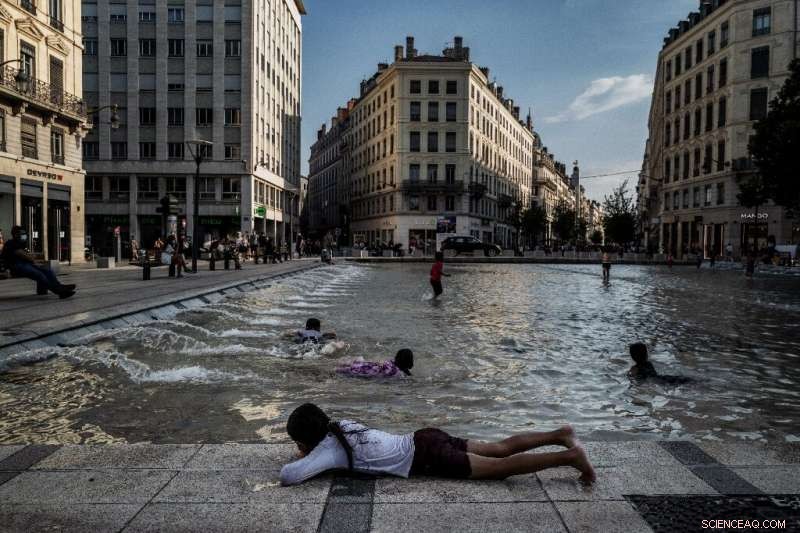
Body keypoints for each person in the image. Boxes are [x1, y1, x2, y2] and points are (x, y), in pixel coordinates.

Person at [279, 403, 595, 486]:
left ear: (307, 439)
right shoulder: (341, 427)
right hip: (425, 437)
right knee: (499, 448)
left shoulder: (329, 450)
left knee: (499, 469)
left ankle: (569, 456)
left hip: (428, 456)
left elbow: (289, 475)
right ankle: (560, 433)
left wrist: (305, 453)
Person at [0, 226, 76, 298]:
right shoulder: (11, 243)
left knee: (48, 271)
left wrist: (31, 258)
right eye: (22, 234)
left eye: (24, 234)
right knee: (40, 275)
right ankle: (59, 291)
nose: (24, 235)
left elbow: (28, 256)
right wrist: (31, 258)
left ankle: (60, 287)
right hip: (16, 267)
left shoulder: (19, 244)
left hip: (24, 265)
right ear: (16, 234)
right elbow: (26, 256)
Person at [336, 349, 414, 378]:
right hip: (365, 372)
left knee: (347, 366)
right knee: (342, 371)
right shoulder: (395, 373)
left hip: (366, 365)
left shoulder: (392, 362)